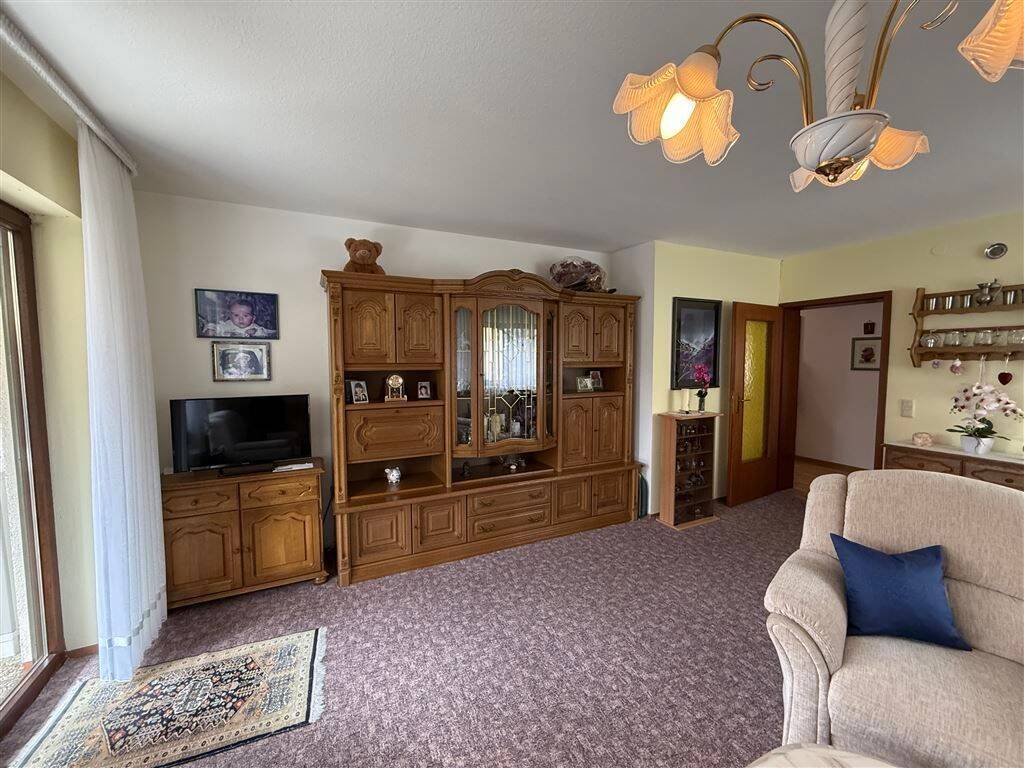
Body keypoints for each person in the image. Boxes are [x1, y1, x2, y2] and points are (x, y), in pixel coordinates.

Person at [204, 297, 273, 337]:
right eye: (236, 315)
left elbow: (265, 333)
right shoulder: (227, 325)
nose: (240, 319)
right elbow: (216, 326)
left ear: (253, 318)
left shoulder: (255, 328)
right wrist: (211, 330)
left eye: (245, 316)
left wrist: (255, 332)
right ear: (230, 317)